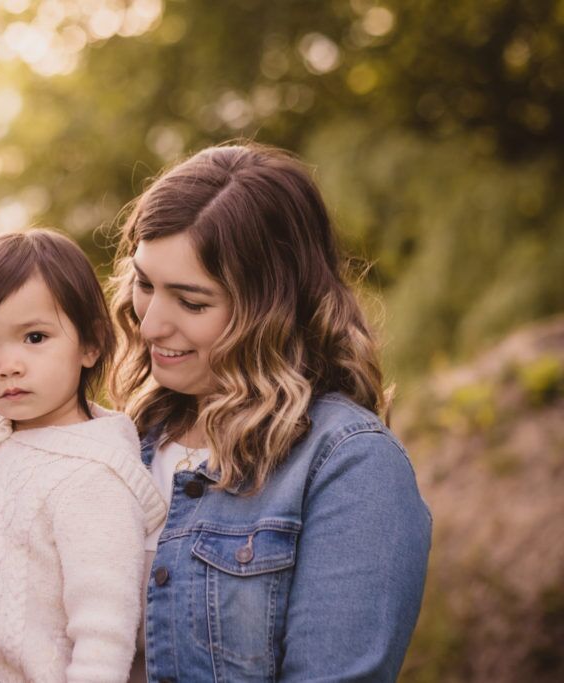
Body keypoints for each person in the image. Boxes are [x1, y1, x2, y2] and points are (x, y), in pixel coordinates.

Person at [110, 143, 432, 682]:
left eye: (191, 302)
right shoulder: (114, 438)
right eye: (145, 285)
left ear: (272, 309)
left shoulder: (350, 466)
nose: (150, 325)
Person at [0, 230, 166, 683]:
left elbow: (104, 631)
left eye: (35, 337)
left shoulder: (93, 476)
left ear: (91, 344)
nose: (8, 364)